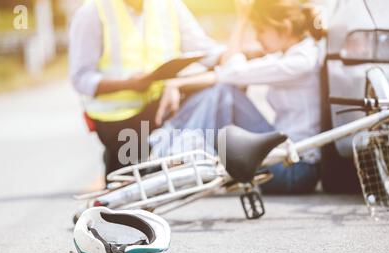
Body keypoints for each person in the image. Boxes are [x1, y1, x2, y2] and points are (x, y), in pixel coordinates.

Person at [153, 0, 326, 194]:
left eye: (261, 30)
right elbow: (232, 67)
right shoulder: (289, 56)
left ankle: (170, 156)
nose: (258, 38)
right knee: (220, 93)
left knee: (225, 92)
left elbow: (229, 72)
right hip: (284, 160)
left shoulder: (300, 62)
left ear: (284, 28)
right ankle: (170, 153)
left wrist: (177, 83)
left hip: (295, 170)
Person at [69, 0, 224, 178]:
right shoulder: (92, 11)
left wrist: (239, 56)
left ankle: (188, 156)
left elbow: (205, 50)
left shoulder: (169, 5)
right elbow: (81, 78)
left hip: (161, 108)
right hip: (118, 120)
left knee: (217, 91)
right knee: (130, 185)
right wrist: (128, 84)